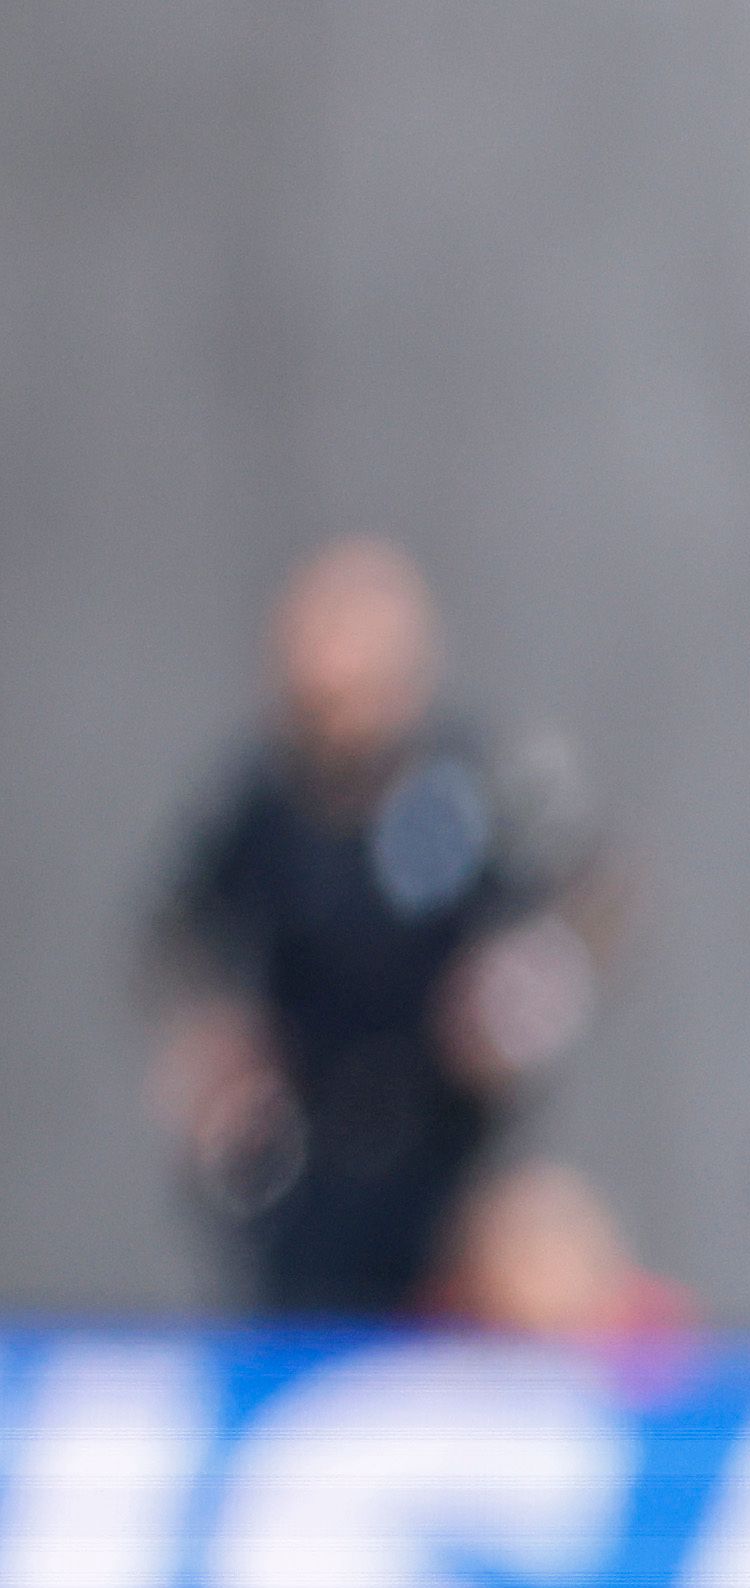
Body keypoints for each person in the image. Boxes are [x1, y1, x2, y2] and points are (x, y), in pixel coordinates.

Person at [147, 539, 604, 1318]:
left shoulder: (479, 781)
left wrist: (521, 997)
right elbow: (181, 937)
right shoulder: (261, 807)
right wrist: (216, 1052)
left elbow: (591, 890)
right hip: (308, 1156)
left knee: (542, 1254)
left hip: (454, 1148)